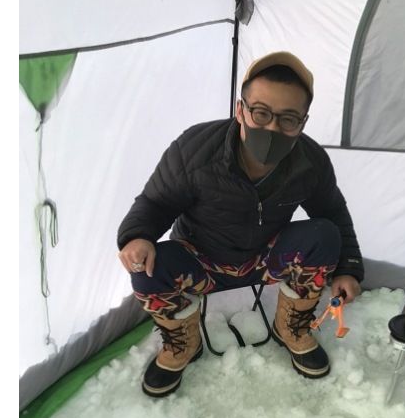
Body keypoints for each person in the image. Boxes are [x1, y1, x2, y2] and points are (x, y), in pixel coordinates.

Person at [117, 51, 364, 398]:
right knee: (146, 265)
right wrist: (137, 236)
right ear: (240, 110)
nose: (272, 128)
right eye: (260, 113)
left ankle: (290, 329)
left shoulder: (310, 161)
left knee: (324, 234)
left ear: (303, 123)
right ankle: (181, 345)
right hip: (199, 260)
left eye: (288, 119)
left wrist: (349, 268)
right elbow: (155, 202)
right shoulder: (195, 149)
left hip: (265, 260)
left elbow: (334, 212)